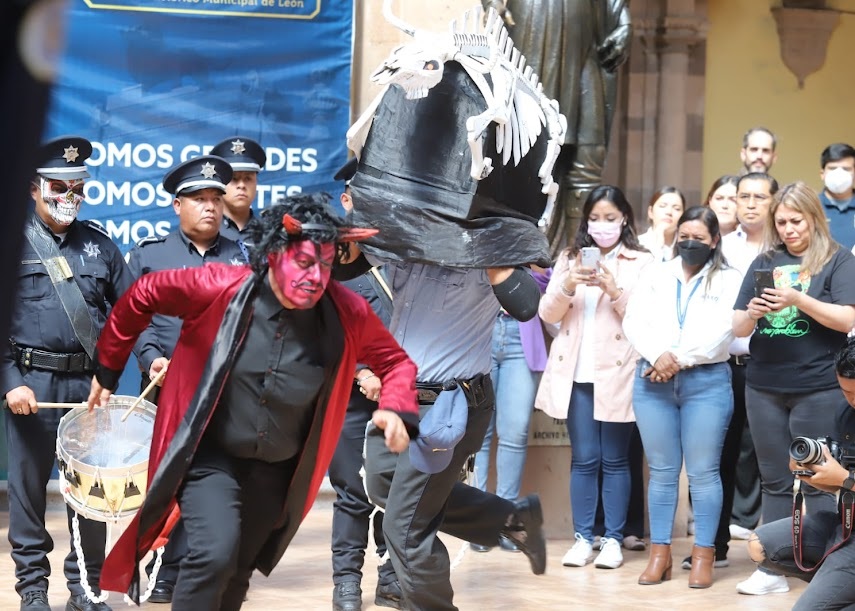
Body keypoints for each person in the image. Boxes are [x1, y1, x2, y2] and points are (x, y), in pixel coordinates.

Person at [86, 193, 420, 610]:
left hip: (278, 469)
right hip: (212, 453)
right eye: (304, 262)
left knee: (239, 569)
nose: (316, 277)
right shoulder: (222, 287)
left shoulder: (346, 310)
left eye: (327, 264)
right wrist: (108, 368)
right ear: (274, 255)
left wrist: (395, 406)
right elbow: (143, 294)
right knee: (214, 554)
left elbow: (396, 362)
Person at [358, 256, 548, 610]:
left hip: (447, 406)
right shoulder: (411, 237)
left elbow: (526, 305)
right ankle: (512, 518)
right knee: (383, 482)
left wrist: (495, 257)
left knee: (404, 529)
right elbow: (349, 265)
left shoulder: (487, 246)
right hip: (401, 396)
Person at [2, 136, 133, 611]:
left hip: (89, 390)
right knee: (28, 489)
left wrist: (120, 372)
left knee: (89, 493)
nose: (70, 196)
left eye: (79, 186)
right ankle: (32, 588)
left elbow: (131, 313)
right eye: (59, 185)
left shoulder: (99, 246)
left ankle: (86, 587)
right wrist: (9, 379)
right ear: (33, 189)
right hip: (31, 386)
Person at [124, 154, 247, 603]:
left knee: (210, 485)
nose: (211, 207)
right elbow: (131, 318)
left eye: (216, 198)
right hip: (165, 391)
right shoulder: (150, 255)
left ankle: (184, 573)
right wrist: (152, 358)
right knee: (161, 483)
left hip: (224, 397)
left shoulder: (242, 256)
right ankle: (152, 568)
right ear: (178, 205)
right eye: (199, 199)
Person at [732, 181, 855, 596]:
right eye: (781, 221)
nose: (788, 229)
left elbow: (846, 319)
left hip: (819, 386)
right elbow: (736, 327)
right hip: (764, 383)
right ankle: (772, 567)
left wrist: (797, 300)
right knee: (774, 479)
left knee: (815, 477)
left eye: (795, 220)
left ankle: (820, 564)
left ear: (813, 218)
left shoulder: (836, 260)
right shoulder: (764, 260)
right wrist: (752, 312)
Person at [624, 206, 742, 589]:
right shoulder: (655, 272)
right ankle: (660, 556)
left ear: (715, 242)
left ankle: (704, 555)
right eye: (684, 236)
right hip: (652, 380)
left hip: (705, 383)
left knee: (704, 474)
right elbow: (633, 319)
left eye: (699, 239)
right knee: (661, 473)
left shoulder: (729, 279)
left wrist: (677, 360)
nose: (690, 243)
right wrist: (659, 355)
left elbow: (724, 330)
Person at [537, 185, 653, 570]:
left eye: (610, 218)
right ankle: (584, 537)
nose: (602, 226)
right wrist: (568, 282)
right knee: (585, 459)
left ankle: (614, 540)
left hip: (618, 373)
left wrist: (613, 289)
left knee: (616, 459)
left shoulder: (642, 261)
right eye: (595, 218)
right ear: (585, 220)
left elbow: (646, 319)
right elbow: (548, 314)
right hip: (577, 374)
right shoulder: (569, 258)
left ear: (625, 220)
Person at [481, 0, 631, 252]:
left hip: (586, 44)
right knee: (524, 149)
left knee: (587, 157)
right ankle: (520, 257)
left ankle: (579, 257)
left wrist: (624, 22)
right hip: (531, 28)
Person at [685, 172, 778, 573]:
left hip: (774, 364)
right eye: (744, 196)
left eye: (760, 196)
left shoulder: (785, 248)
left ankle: (779, 551)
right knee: (716, 459)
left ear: (774, 201)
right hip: (725, 364)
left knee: (772, 461)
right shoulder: (720, 248)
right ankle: (713, 544)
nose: (752, 204)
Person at [328, 158, 401, 611]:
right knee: (353, 491)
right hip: (351, 396)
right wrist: (361, 372)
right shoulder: (333, 253)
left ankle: (392, 577)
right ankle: (346, 583)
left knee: (400, 490)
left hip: (406, 393)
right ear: (348, 200)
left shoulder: (408, 249)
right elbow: (323, 321)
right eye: (365, 195)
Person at [745, 337, 855, 610]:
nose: (853, 401)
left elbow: (846, 480)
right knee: (760, 545)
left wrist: (843, 480)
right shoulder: (845, 413)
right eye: (846, 392)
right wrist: (818, 476)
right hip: (847, 527)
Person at [470, 267, 548, 550]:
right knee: (477, 435)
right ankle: (478, 523)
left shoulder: (523, 237)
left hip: (520, 334)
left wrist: (532, 263)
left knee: (515, 433)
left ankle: (505, 522)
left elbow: (547, 282)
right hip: (479, 332)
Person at [210, 136, 266, 248]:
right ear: (220, 183)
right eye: (234, 179)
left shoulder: (269, 234)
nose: (241, 185)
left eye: (248, 178)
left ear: (256, 183)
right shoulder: (206, 230)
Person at [818, 142, 855, 249]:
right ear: (822, 174)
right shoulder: (810, 207)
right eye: (833, 168)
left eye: (846, 169)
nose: (839, 173)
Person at [637, 186, 685, 262]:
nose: (669, 212)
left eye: (677, 209)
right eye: (662, 206)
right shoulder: (637, 244)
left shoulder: (686, 247)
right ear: (650, 212)